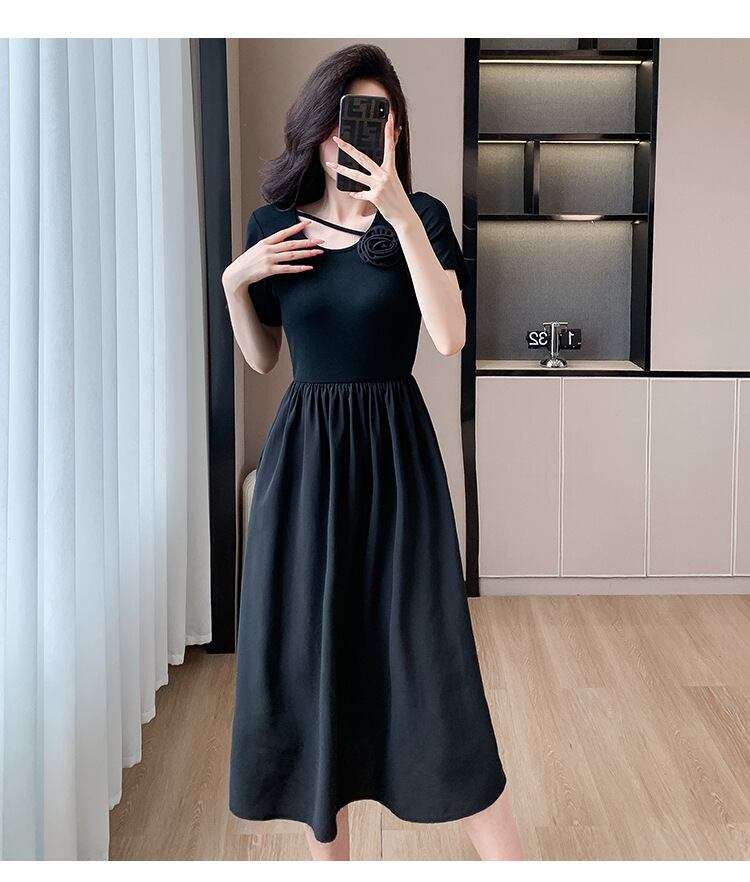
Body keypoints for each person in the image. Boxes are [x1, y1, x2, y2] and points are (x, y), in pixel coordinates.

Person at [221, 43, 524, 861]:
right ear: (315, 127)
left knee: (432, 660)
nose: (351, 135)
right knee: (315, 667)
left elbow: (450, 336)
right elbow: (263, 358)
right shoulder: (273, 227)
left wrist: (396, 213)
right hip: (306, 468)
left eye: (373, 117)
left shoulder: (422, 218)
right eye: (341, 119)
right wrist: (235, 281)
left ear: (395, 132)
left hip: (397, 464)